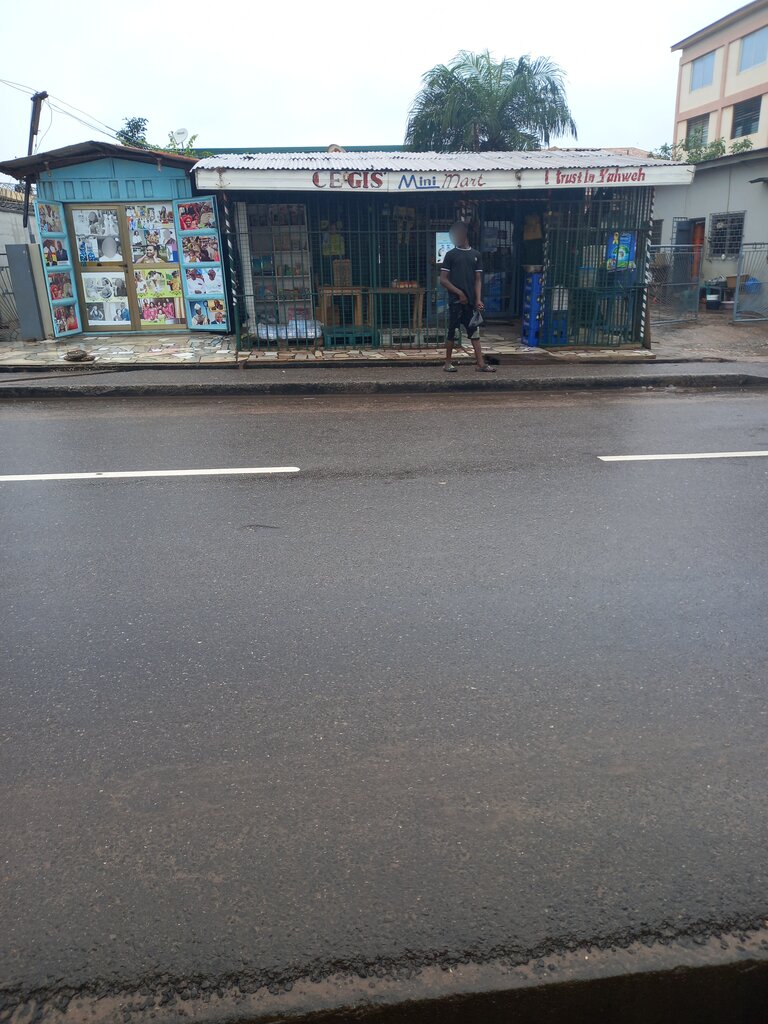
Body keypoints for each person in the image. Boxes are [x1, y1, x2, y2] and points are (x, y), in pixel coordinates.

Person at [439, 221, 494, 373]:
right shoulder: (450, 255)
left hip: (470, 302)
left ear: (463, 234)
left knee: (474, 332)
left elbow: (478, 279)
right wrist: (459, 293)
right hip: (456, 301)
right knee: (452, 332)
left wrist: (478, 299)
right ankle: (447, 363)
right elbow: (443, 279)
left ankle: (481, 364)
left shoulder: (476, 255)